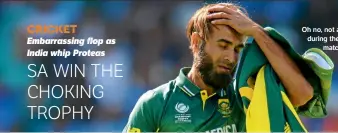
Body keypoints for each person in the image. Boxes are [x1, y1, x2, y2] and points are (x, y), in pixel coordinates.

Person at [123, 2, 313, 132]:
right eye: (223, 46)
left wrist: (257, 32)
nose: (231, 58)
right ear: (197, 42)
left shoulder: (245, 95)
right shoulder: (155, 103)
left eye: (237, 49)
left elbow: (303, 94)